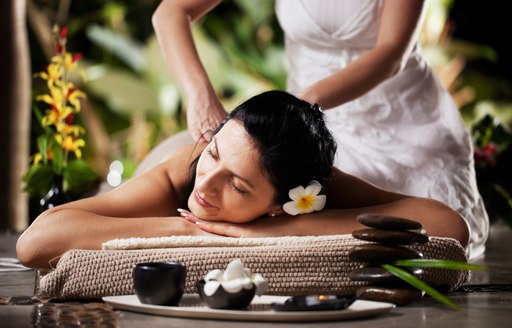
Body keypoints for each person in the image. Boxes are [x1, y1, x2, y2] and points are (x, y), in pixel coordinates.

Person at [151, 0, 488, 258]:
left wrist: (295, 114)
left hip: (401, 124)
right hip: (302, 123)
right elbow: (171, 12)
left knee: (417, 240)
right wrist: (198, 95)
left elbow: (390, 55)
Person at [16, 91, 469, 269]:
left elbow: (448, 226)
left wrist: (269, 231)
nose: (207, 188)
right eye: (217, 157)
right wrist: (192, 231)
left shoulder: (307, 185)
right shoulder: (193, 167)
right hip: (171, 160)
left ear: (283, 201)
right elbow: (36, 243)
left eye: (237, 186)